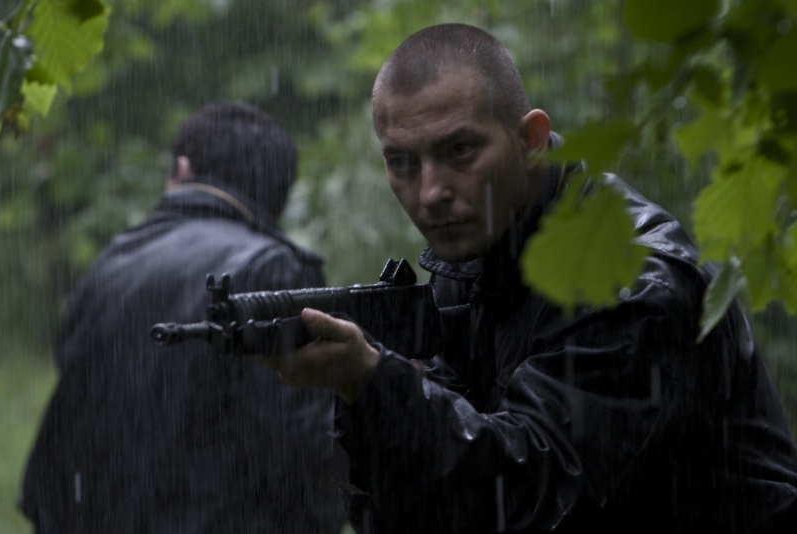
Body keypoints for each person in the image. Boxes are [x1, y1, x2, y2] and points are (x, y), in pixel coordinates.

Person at [262, 24, 797, 533]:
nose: (429, 192)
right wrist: (368, 399)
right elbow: (438, 506)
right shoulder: (474, 255)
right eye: (402, 162)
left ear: (531, 139)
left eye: (460, 151)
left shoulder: (632, 281)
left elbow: (529, 498)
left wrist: (376, 386)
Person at [19, 101, 347, 533]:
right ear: (279, 199)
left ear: (182, 170)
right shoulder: (273, 271)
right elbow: (303, 452)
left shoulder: (113, 260)